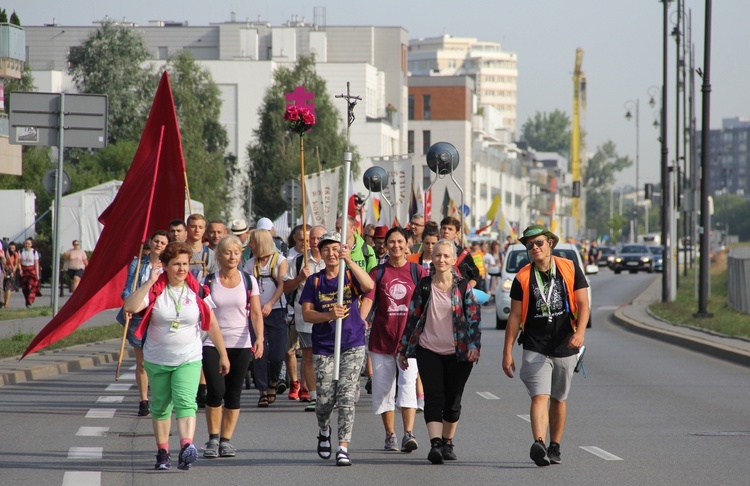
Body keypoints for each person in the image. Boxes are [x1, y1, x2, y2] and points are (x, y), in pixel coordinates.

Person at [124, 241, 230, 471]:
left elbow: (210, 323)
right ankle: (162, 452)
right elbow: (130, 307)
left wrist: (223, 353)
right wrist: (150, 281)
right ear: (165, 265)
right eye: (176, 264)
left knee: (186, 403)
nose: (182, 269)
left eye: (185, 263)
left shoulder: (197, 290)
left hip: (188, 358)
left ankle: (186, 448)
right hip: (157, 359)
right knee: (161, 407)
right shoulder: (155, 290)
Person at [502, 224, 589, 467]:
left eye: (539, 242)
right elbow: (515, 318)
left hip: (565, 343)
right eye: (530, 245)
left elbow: (583, 304)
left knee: (559, 398)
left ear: (550, 243)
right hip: (535, 343)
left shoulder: (570, 268)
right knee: (539, 395)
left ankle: (555, 446)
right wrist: (507, 352)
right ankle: (539, 443)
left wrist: (580, 333)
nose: (534, 248)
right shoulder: (523, 277)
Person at [398, 238, 481, 465]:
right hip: (428, 350)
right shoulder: (424, 286)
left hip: (459, 353)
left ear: (454, 260)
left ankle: (447, 441)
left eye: (446, 256)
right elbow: (412, 318)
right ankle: (435, 444)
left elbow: (474, 319)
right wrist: (403, 350)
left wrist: (474, 346)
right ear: (431, 259)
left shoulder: (463, 287)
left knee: (453, 402)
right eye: (437, 256)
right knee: (434, 397)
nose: (441, 260)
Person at [300, 231, 375, 467]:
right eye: (326, 250)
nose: (331, 254)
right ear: (320, 253)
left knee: (346, 397)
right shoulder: (315, 281)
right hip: (324, 345)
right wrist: (328, 315)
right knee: (324, 401)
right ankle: (324, 429)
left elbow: (369, 286)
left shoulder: (350, 275)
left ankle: (343, 446)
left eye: (335, 249)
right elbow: (307, 314)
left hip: (352, 343)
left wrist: (349, 260)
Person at [360, 227, 427, 453]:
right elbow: (368, 301)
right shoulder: (377, 273)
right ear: (385, 246)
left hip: (411, 342)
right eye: (391, 242)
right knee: (383, 389)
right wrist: (360, 320)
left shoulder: (418, 272)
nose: (396, 246)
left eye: (400, 241)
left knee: (408, 385)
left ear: (408, 244)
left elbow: (429, 302)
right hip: (381, 339)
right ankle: (390, 435)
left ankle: (409, 433)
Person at [201, 235, 264, 458]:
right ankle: (212, 438)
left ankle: (226, 441)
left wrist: (260, 338)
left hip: (241, 342)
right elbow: (204, 313)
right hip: (212, 343)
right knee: (216, 391)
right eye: (227, 252)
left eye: (236, 252)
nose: (232, 257)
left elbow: (255, 313)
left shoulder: (249, 280)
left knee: (234, 394)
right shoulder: (209, 281)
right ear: (219, 255)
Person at [117, 230, 170, 417]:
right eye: (156, 241)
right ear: (150, 242)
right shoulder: (138, 262)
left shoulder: (169, 265)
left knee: (160, 361)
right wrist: (128, 306)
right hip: (139, 315)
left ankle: (160, 398)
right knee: (142, 362)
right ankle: (143, 400)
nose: (159, 245)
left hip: (161, 317)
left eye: (163, 243)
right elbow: (127, 289)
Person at [283, 225, 327, 411]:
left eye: (319, 238)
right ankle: (314, 396)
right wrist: (300, 277)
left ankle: (328, 394)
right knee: (308, 355)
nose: (315, 242)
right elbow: (286, 288)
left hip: (328, 317)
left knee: (327, 357)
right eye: (312, 239)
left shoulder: (332, 259)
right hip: (305, 316)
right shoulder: (299, 261)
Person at [243, 229, 289, 407]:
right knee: (259, 352)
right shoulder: (250, 264)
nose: (249, 245)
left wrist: (270, 304)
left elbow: (282, 285)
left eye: (252, 242)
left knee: (277, 354)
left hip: (276, 310)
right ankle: (262, 390)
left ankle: (273, 382)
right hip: (256, 313)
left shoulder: (280, 261)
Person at [439, 217, 480, 288]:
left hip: (457, 295)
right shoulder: (432, 251)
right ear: (440, 230)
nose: (446, 231)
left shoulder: (463, 254)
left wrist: (466, 290)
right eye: (444, 228)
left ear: (457, 233)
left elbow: (475, 275)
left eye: (450, 229)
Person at [19, 238, 41, 308]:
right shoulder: (21, 251)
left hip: (32, 270)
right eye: (26, 243)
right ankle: (27, 300)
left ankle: (30, 300)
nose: (27, 245)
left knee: (31, 285)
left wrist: (37, 274)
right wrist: (20, 270)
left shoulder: (34, 252)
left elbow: (36, 264)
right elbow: (19, 262)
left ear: (31, 245)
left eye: (28, 244)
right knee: (24, 287)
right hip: (24, 270)